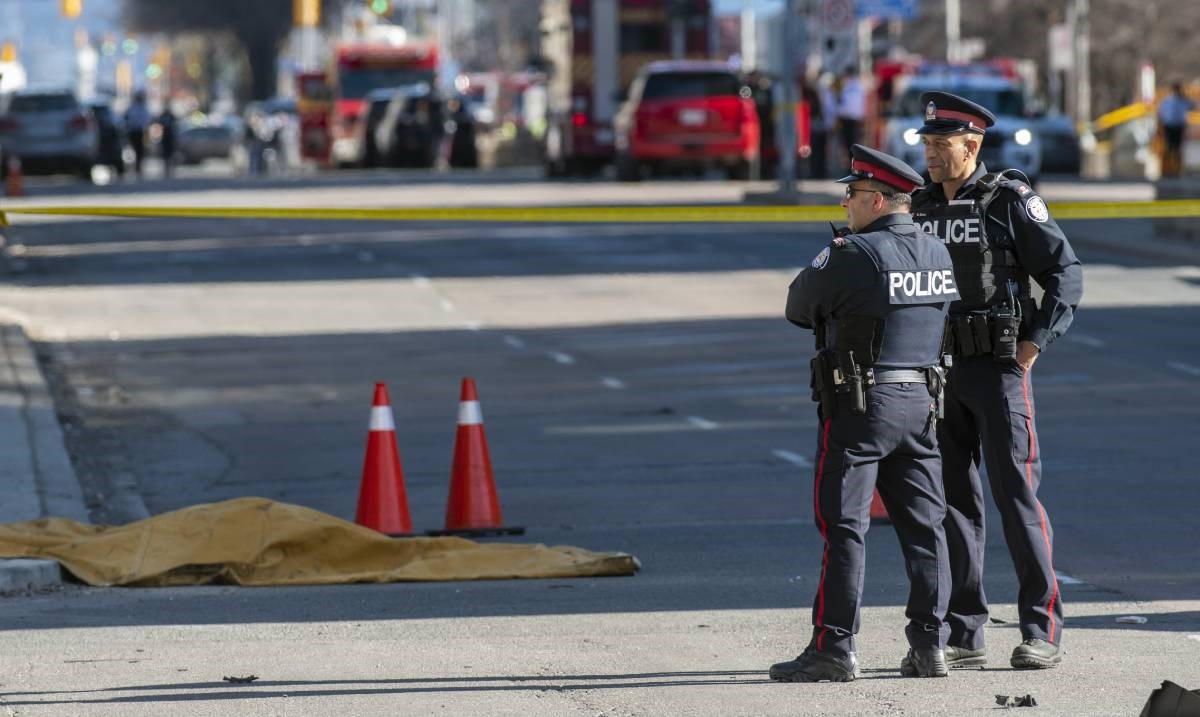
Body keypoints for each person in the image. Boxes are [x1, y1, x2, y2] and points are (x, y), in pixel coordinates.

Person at [771, 144, 959, 683]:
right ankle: (930, 646)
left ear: (877, 200)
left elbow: (796, 307)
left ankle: (834, 648)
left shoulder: (852, 253)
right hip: (922, 405)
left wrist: (835, 260)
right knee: (927, 530)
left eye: (851, 194)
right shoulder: (938, 252)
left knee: (844, 528)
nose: (846, 203)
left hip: (860, 407)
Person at [909, 92, 1083, 670]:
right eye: (927, 143)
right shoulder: (918, 207)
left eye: (941, 144)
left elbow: (1064, 272)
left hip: (998, 371)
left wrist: (1035, 343)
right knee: (954, 505)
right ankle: (965, 630)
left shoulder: (1008, 201)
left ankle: (1041, 628)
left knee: (1016, 499)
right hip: (938, 374)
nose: (931, 153)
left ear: (972, 145)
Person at [1158, 81, 1193, 177]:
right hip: (1171, 127)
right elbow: (1161, 113)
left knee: (1174, 149)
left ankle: (1174, 170)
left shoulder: (1180, 100)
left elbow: (1191, 106)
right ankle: (1169, 169)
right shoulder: (1170, 101)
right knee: (1171, 149)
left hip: (1175, 126)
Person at [835, 69, 865, 172]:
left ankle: (853, 167)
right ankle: (852, 166)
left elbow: (846, 104)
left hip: (851, 119)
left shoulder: (851, 86)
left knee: (851, 145)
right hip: (851, 119)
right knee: (850, 145)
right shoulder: (854, 86)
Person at [123, 90, 151, 178]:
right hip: (134, 132)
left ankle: (138, 168)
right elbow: (126, 119)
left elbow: (146, 121)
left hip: (139, 132)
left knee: (139, 151)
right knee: (133, 151)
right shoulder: (133, 108)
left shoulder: (140, 108)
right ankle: (133, 168)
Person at [157, 107, 177, 178]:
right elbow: (159, 122)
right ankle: (166, 170)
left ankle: (171, 170)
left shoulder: (171, 116)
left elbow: (175, 122)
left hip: (170, 137)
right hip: (165, 137)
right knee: (165, 155)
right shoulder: (163, 116)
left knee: (171, 154)